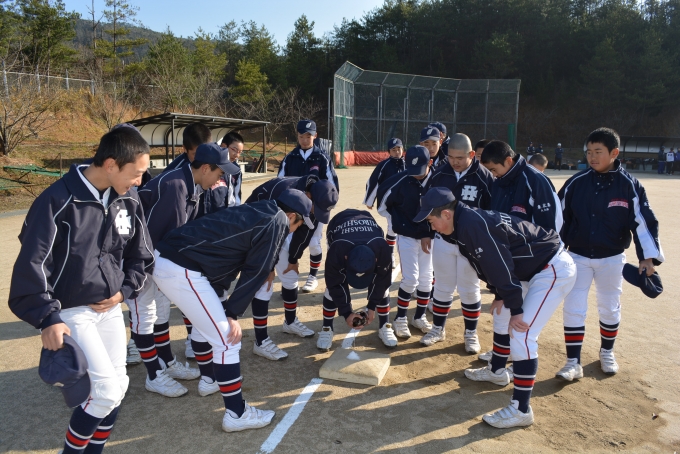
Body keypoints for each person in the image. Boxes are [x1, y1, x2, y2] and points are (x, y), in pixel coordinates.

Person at [9, 127, 154, 452]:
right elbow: (33, 264)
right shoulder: (56, 200)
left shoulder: (128, 199)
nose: (140, 181)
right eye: (136, 173)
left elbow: (141, 255)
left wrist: (124, 291)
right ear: (111, 165)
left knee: (118, 388)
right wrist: (48, 318)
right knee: (104, 393)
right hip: (71, 311)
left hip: (110, 307)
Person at [152, 189, 312, 432]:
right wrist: (232, 313)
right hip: (182, 268)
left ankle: (209, 380)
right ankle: (237, 414)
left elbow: (226, 251)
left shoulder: (262, 208)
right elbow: (256, 269)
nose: (294, 230)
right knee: (228, 339)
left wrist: (223, 304)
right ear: (291, 216)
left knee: (206, 325)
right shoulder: (277, 219)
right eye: (297, 225)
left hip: (172, 260)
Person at [417, 187, 576, 428]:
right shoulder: (462, 223)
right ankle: (497, 372)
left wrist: (516, 308)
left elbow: (499, 265)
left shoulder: (471, 224)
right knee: (502, 314)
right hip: (529, 270)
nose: (431, 226)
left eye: (431, 220)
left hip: (551, 269)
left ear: (446, 214)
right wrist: (501, 294)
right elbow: (491, 264)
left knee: (522, 334)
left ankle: (521, 409)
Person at [556, 127, 664, 380]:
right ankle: (573, 362)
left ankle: (607, 352)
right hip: (577, 257)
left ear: (614, 153)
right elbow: (558, 220)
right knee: (573, 307)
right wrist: (553, 252)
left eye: (598, 152)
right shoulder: (575, 183)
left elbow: (643, 221)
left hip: (612, 259)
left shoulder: (629, 185)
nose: (592, 157)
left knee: (609, 306)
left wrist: (647, 258)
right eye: (589, 152)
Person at [133, 143, 240, 397]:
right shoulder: (175, 186)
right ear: (205, 168)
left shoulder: (190, 184)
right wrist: (147, 273)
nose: (220, 179)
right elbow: (151, 235)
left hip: (156, 259)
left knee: (159, 313)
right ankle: (154, 375)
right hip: (139, 261)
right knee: (144, 315)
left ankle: (166, 362)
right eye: (219, 173)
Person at [475, 140, 562, 368]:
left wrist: (535, 259)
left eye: (494, 169)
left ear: (508, 160)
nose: (493, 175)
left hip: (536, 264)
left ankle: (518, 362)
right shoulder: (499, 182)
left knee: (522, 320)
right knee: (502, 313)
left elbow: (552, 228)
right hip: (512, 262)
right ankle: (501, 356)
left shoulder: (536, 180)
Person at [245, 175, 338, 360]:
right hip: (256, 227)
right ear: (309, 196)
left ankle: (290, 321)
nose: (316, 213)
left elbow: (306, 230)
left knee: (290, 275)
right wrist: (269, 267)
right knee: (265, 285)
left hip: (281, 226)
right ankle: (260, 341)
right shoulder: (285, 195)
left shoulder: (312, 197)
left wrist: (293, 259)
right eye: (316, 208)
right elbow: (270, 235)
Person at [422, 133, 494, 349]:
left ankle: (471, 333)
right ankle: (438, 328)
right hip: (443, 240)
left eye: (460, 158)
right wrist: (425, 231)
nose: (455, 162)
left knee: (469, 288)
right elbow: (426, 204)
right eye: (451, 157)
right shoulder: (439, 173)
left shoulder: (484, 177)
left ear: (471, 154)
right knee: (442, 287)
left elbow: (492, 210)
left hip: (470, 243)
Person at [316, 209, 396, 351]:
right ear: (345, 258)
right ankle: (326, 328)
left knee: (383, 287)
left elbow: (382, 280)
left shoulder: (382, 248)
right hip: (338, 225)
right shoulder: (337, 249)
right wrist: (347, 312)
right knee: (331, 289)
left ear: (376, 259)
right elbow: (335, 283)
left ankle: (385, 325)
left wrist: (371, 306)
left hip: (368, 227)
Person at [376, 145, 434, 339]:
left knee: (426, 279)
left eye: (420, 170)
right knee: (411, 278)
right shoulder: (400, 180)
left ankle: (419, 316)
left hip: (430, 237)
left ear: (430, 163)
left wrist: (429, 231)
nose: (415, 174)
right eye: (412, 169)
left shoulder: (438, 179)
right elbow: (382, 204)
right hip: (407, 236)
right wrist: (397, 221)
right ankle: (400, 317)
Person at [278, 119, 340, 293]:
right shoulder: (289, 158)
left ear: (315, 136)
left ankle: (312, 276)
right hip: (292, 210)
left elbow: (332, 185)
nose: (305, 140)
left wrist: (324, 205)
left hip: (314, 209)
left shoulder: (322, 158)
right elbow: (279, 182)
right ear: (297, 136)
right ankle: (290, 279)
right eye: (301, 136)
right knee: (288, 243)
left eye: (308, 136)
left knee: (313, 243)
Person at [363, 137, 405, 266]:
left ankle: (405, 255)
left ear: (403, 149)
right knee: (392, 228)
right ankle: (390, 254)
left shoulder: (408, 163)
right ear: (389, 152)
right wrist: (369, 200)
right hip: (390, 202)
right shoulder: (384, 165)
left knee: (406, 229)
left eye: (399, 149)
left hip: (406, 202)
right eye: (393, 150)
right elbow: (374, 182)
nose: (397, 152)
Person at [202, 131, 246, 212]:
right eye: (234, 150)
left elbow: (236, 195)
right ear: (223, 146)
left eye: (240, 152)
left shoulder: (236, 170)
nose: (237, 155)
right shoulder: (211, 165)